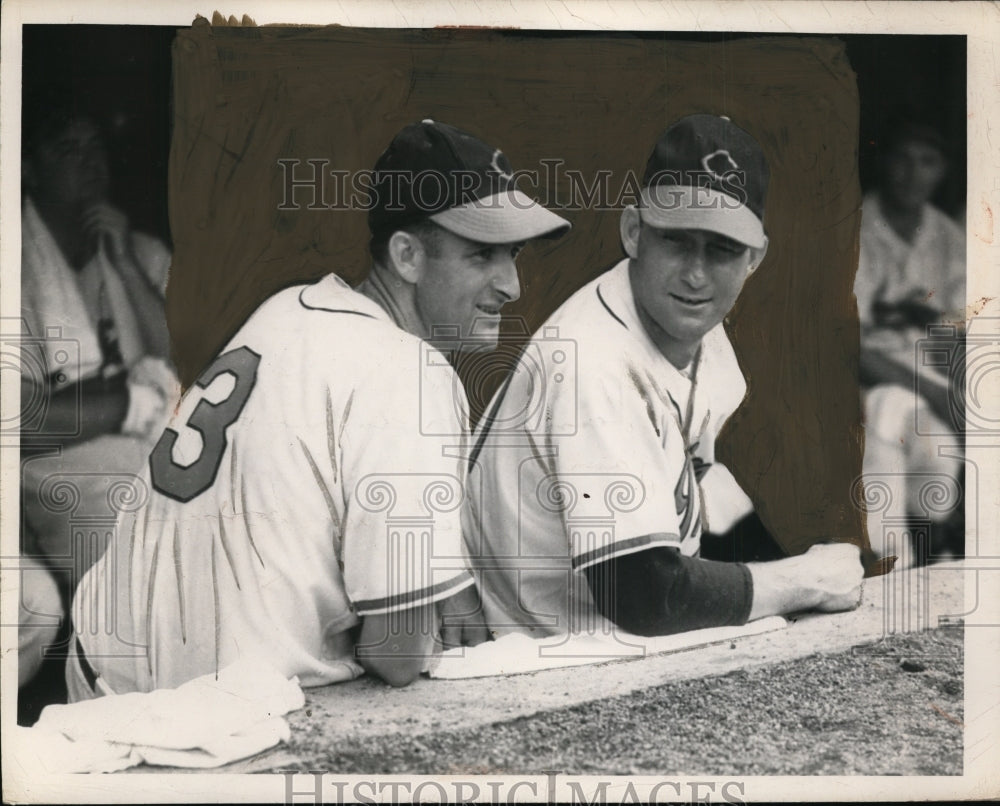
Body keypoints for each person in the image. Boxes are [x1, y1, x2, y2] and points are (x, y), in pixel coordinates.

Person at [67, 119, 570, 699]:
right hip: (204, 719)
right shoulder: (410, 373)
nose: (512, 284)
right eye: (482, 255)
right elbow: (396, 653)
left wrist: (439, 579)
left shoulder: (290, 306)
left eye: (513, 254)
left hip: (99, 667)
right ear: (406, 255)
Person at [465, 114, 864, 640]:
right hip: (535, 653)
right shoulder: (593, 362)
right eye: (677, 240)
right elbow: (643, 596)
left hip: (599, 633)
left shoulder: (692, 327)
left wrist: (785, 565)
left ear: (755, 258)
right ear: (634, 231)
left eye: (722, 249)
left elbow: (701, 487)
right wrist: (803, 580)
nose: (696, 275)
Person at [19, 105, 177, 696]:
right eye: (68, 150)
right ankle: (117, 691)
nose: (89, 164)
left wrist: (128, 271)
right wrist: (134, 402)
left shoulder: (138, 250)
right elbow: (25, 422)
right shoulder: (15, 265)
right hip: (50, 464)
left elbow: (189, 372)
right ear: (29, 169)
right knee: (131, 510)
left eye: (96, 148)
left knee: (207, 486)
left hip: (142, 440)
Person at [854, 120, 965, 566]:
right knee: (892, 412)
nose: (912, 173)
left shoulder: (946, 235)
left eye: (927, 161)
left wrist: (959, 393)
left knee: (938, 436)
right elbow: (849, 345)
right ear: (882, 161)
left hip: (927, 372)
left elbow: (954, 331)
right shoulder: (853, 227)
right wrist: (938, 394)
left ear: (943, 171)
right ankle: (887, 561)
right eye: (902, 158)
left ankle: (935, 546)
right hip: (864, 368)